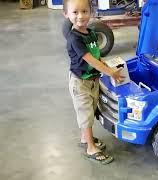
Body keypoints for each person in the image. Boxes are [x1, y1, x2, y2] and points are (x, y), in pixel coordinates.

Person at [63, 0, 124, 164]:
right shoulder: (74, 38)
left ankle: (85, 139)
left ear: (91, 12)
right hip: (80, 83)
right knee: (86, 115)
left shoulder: (90, 33)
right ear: (66, 14)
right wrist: (110, 72)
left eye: (84, 11)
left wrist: (107, 64)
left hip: (92, 80)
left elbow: (96, 55)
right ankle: (91, 148)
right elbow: (91, 60)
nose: (80, 16)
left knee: (90, 110)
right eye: (75, 12)